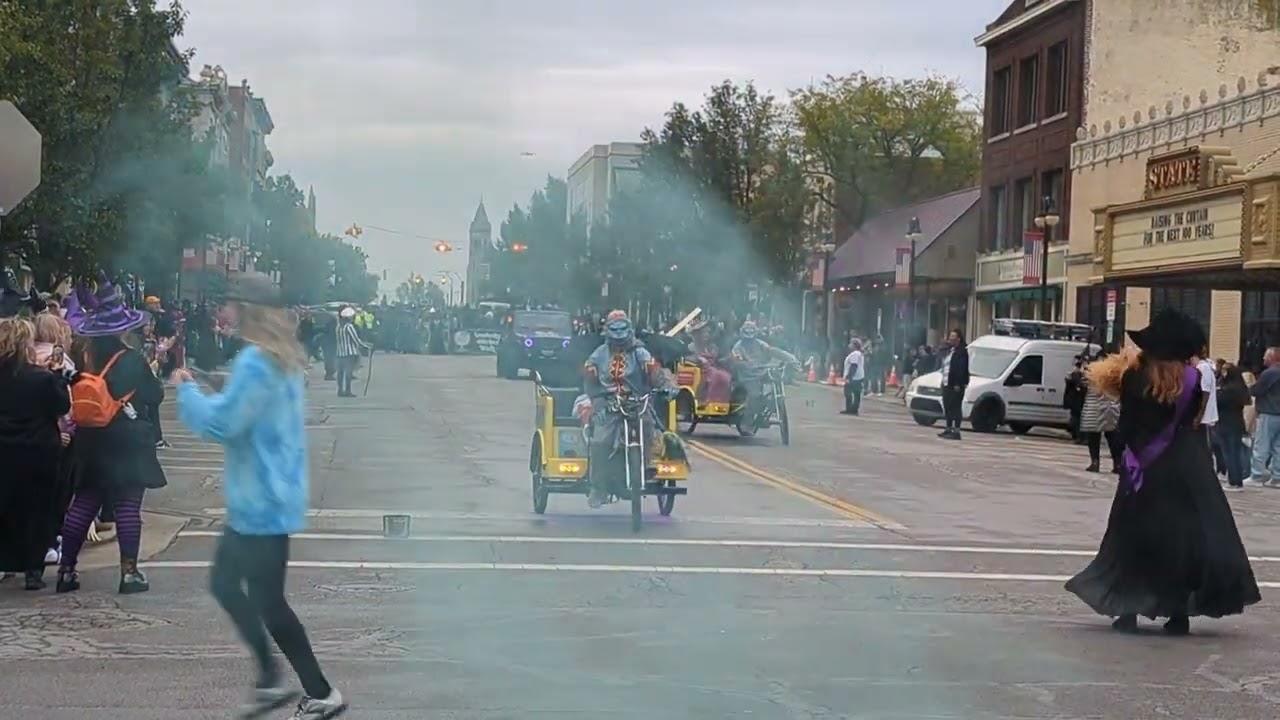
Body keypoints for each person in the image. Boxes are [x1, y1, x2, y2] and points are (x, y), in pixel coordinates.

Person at [174, 272, 347, 720]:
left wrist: (187, 390)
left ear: (246, 309)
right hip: (272, 497)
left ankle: (312, 688)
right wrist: (219, 384)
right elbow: (251, 409)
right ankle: (278, 681)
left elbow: (223, 425)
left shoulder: (256, 362)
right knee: (244, 591)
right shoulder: (280, 358)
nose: (223, 313)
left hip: (258, 503)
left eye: (229, 305)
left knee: (258, 597)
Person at [1065, 307, 1261, 634]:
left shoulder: (1135, 377)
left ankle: (1127, 612)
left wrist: (1126, 459)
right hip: (1186, 469)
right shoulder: (1195, 380)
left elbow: (1125, 426)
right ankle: (1178, 615)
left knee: (1132, 538)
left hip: (1144, 467)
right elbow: (1192, 426)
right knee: (1181, 542)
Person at [58, 278, 167, 594]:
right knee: (128, 506)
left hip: (91, 439)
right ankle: (129, 573)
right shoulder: (132, 359)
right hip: (127, 438)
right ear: (122, 329)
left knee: (84, 503)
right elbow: (154, 395)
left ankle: (66, 571)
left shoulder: (84, 358)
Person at [0, 318, 72, 590]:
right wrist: (57, 378)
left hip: (3, 449)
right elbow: (62, 406)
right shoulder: (41, 378)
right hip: (38, 449)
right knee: (38, 509)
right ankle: (33, 570)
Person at [582, 310, 675, 508]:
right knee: (599, 441)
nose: (618, 336)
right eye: (614, 330)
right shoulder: (598, 354)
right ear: (607, 331)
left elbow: (654, 372)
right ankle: (598, 488)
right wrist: (596, 397)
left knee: (648, 424)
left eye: (622, 329)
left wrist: (665, 384)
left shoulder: (640, 352)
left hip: (636, 400)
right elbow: (589, 378)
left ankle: (646, 463)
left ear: (630, 330)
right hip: (607, 403)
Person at [1216, 364, 1251, 490]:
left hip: (1226, 423)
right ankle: (1238, 479)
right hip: (1237, 422)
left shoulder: (1228, 390)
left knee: (1229, 453)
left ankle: (1233, 481)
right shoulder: (1241, 388)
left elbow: (1218, 402)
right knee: (1235, 452)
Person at [685, 319, 731, 406]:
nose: (707, 335)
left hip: (712, 368)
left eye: (707, 332)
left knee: (725, 376)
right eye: (704, 332)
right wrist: (699, 359)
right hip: (699, 370)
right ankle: (707, 400)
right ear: (697, 334)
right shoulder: (691, 347)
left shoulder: (711, 347)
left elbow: (717, 360)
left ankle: (720, 401)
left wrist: (728, 359)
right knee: (715, 376)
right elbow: (688, 358)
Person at [938, 329, 969, 440]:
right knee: (948, 407)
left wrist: (958, 383)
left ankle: (956, 431)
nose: (950, 338)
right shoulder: (950, 351)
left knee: (955, 408)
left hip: (955, 385)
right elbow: (945, 366)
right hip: (947, 383)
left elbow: (960, 369)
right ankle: (948, 428)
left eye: (953, 336)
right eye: (950, 336)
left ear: (958, 339)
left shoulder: (962, 352)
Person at [334, 307, 368, 398]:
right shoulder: (349, 327)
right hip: (350, 353)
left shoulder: (338, 327)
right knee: (348, 372)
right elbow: (355, 339)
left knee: (340, 373)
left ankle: (340, 390)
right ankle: (348, 391)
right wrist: (365, 346)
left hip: (340, 352)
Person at [842, 339, 865, 415]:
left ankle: (850, 409)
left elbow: (854, 365)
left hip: (854, 377)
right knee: (856, 393)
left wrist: (849, 377)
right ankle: (854, 409)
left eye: (850, 344)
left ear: (854, 345)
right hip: (859, 376)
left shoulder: (855, 354)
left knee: (848, 392)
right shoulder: (859, 353)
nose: (849, 345)